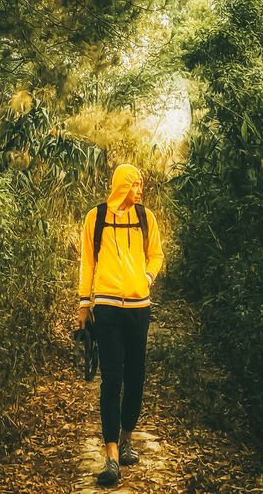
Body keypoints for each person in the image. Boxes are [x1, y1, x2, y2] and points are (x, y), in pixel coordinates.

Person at [78, 163, 164, 488]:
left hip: (139, 308)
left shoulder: (146, 218)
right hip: (107, 307)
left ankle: (127, 437)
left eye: (140, 184)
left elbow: (156, 255)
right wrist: (84, 303)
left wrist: (146, 278)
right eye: (135, 184)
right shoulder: (95, 217)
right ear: (121, 185)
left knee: (136, 376)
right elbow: (87, 259)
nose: (139, 189)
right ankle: (111, 456)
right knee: (111, 379)